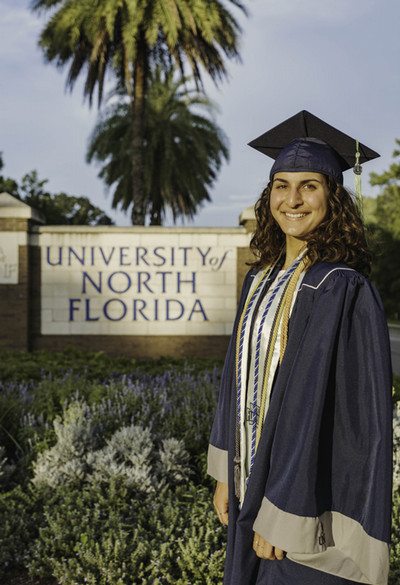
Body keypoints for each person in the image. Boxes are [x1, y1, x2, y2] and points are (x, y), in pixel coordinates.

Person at [207, 111, 392, 585]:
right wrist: (227, 470)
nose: (292, 199)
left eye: (309, 186)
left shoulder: (339, 288)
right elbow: (236, 378)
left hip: (299, 502)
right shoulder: (260, 280)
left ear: (333, 197)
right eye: (281, 185)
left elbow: (326, 413)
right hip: (250, 477)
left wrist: (284, 513)